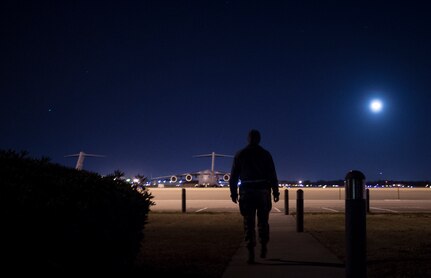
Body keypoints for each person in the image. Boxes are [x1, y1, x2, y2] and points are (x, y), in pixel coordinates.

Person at [229, 129, 280, 264]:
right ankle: (263, 245)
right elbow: (272, 175)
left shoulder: (240, 154)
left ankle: (250, 251)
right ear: (259, 139)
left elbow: (233, 176)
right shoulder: (265, 154)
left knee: (248, 223)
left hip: (247, 193)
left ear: (248, 139)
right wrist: (275, 191)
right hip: (263, 192)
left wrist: (233, 192)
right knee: (263, 221)